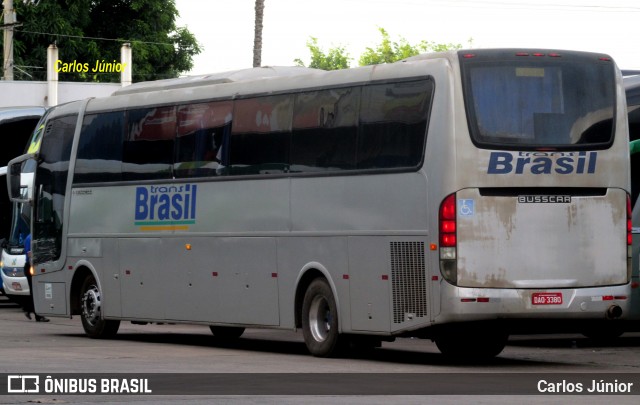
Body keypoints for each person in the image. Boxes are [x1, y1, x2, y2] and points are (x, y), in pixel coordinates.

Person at [23, 234, 48, 322]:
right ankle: (38, 315)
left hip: (30, 266)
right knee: (37, 292)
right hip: (32, 266)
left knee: (34, 291)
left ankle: (28, 309)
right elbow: (30, 254)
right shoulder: (32, 238)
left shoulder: (28, 237)